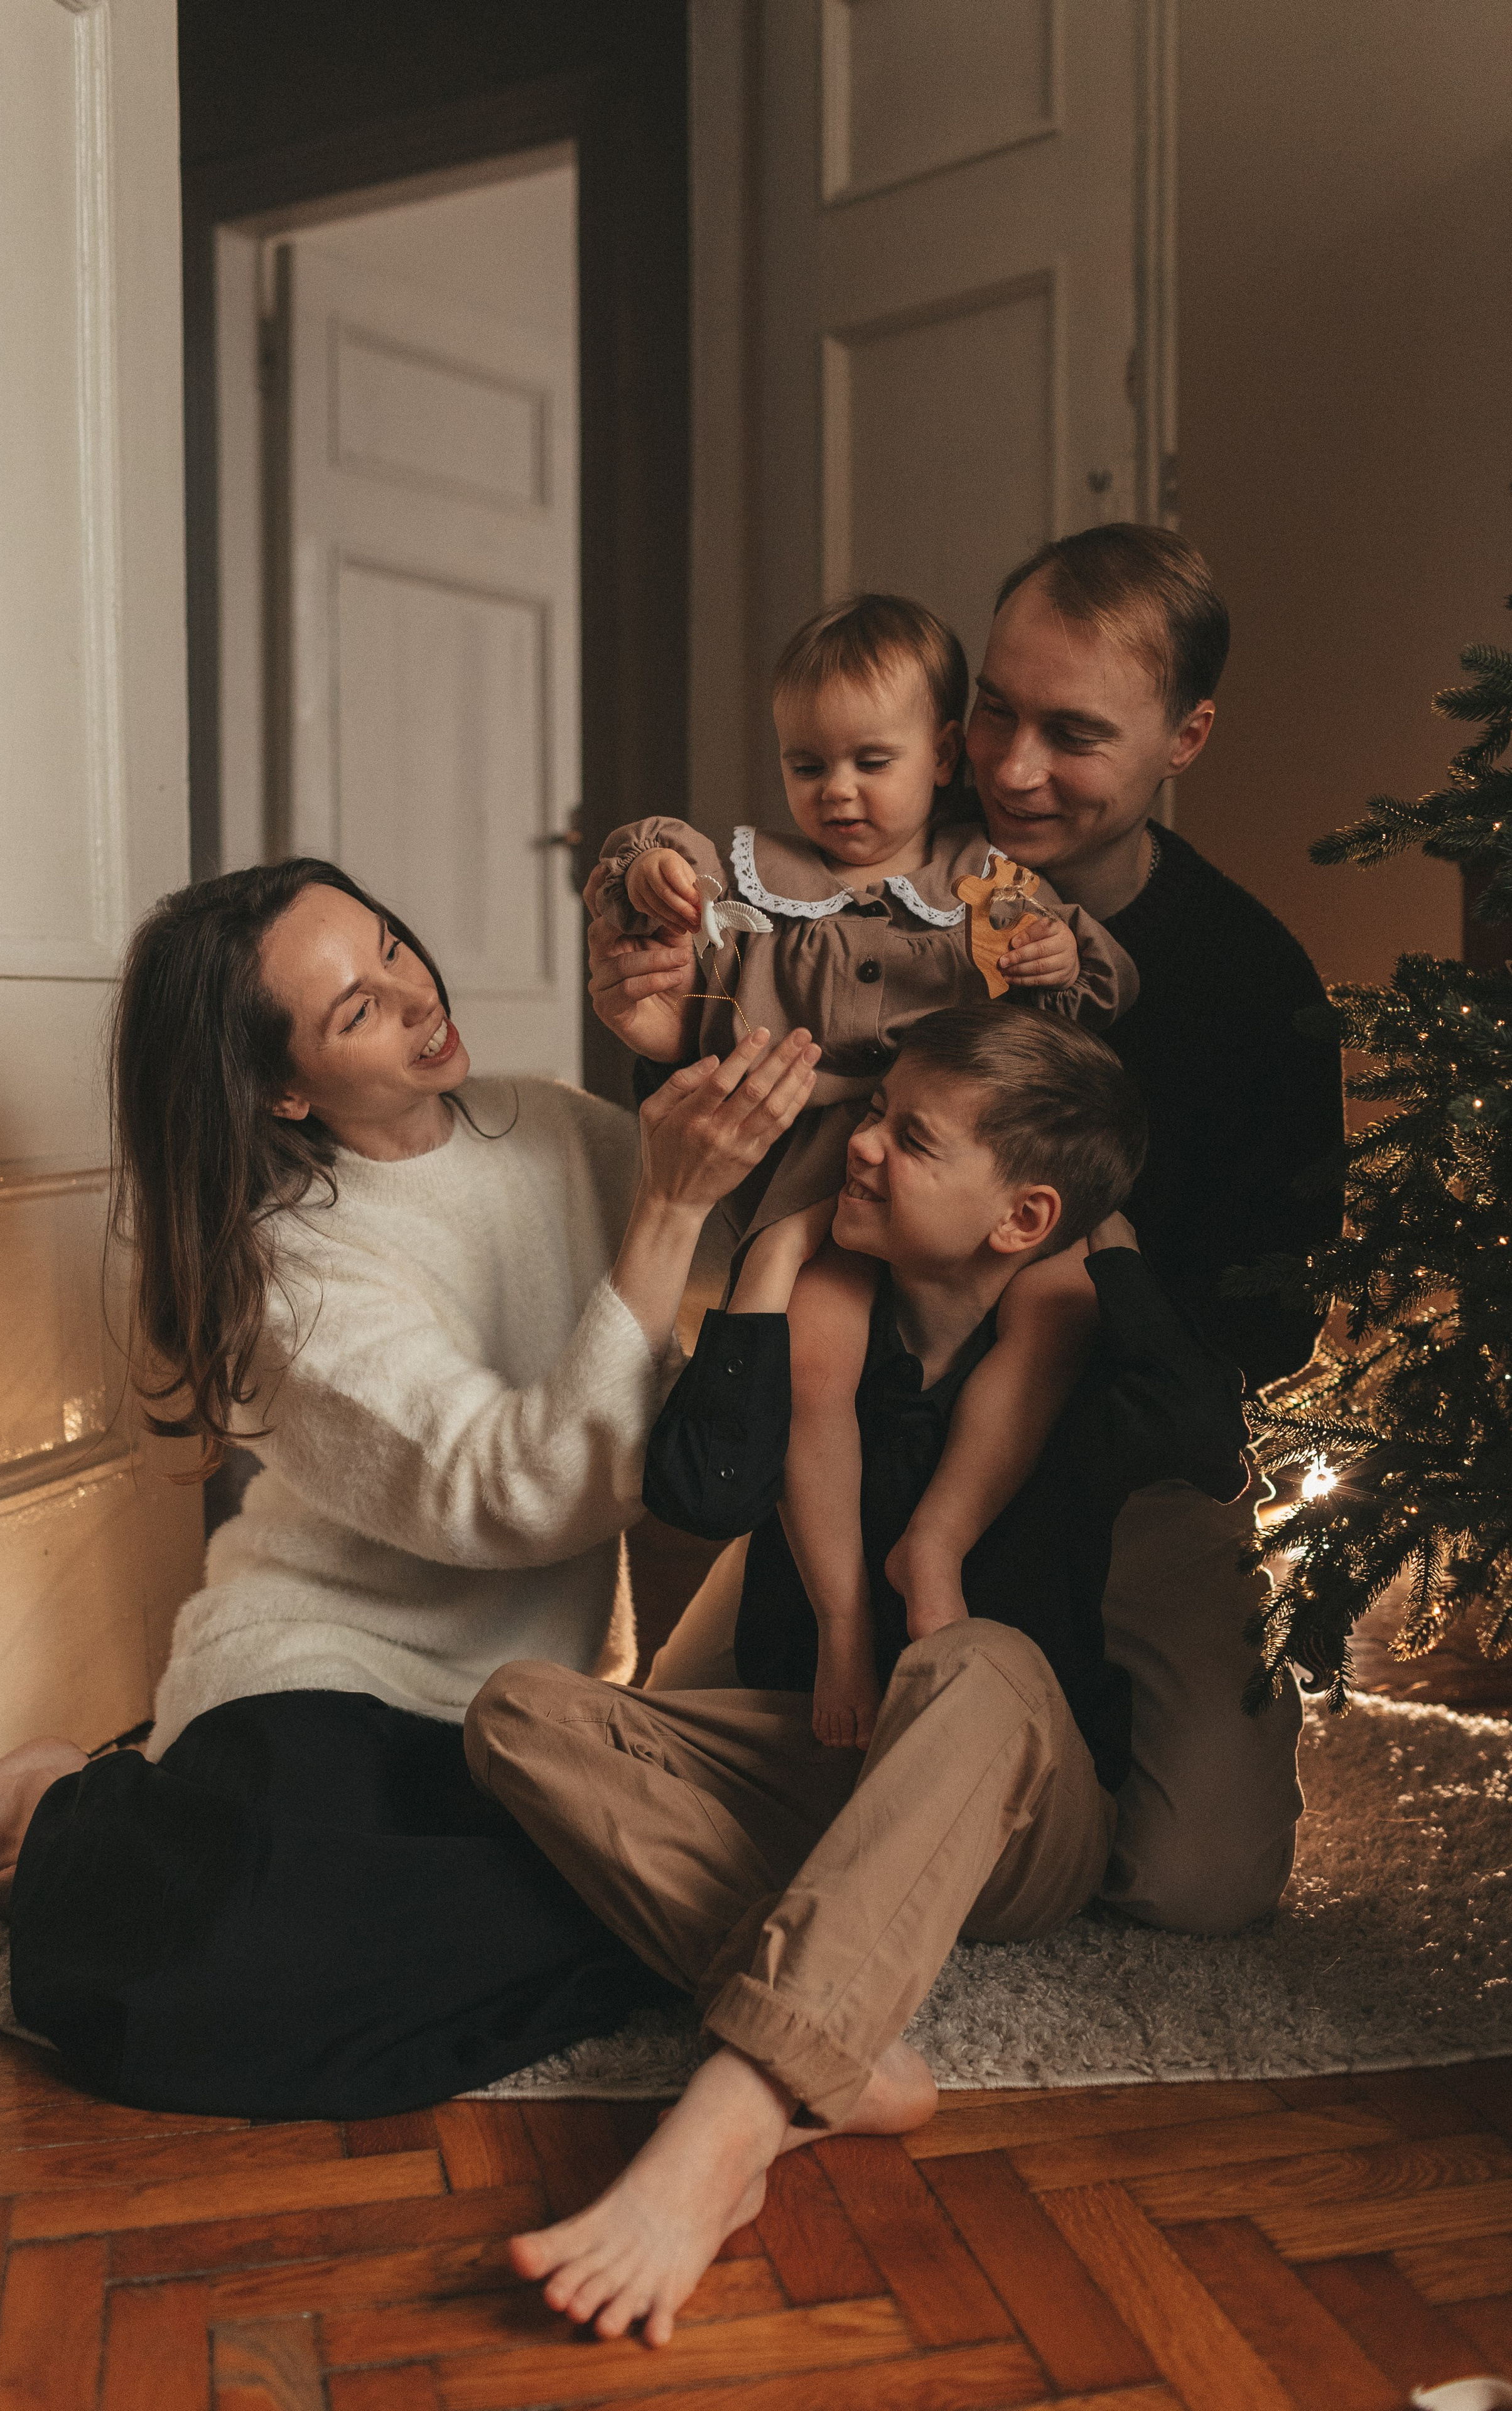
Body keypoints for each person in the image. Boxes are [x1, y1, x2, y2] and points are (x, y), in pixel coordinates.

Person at [0, 858, 823, 2119]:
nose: (415, 996)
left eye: (392, 947)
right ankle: (79, 1808)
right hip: (321, 1683)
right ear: (283, 1089)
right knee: (211, 1982)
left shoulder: (551, 1126)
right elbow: (517, 1493)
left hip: (517, 1718)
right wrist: (663, 1210)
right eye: (356, 1009)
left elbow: (758, 1216)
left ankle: (99, 1835)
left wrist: (689, 1045)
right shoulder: (282, 1268)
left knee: (639, 1890)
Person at [588, 526, 1344, 1934]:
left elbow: (1268, 1316)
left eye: (1074, 734)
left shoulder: (1248, 982)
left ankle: (1004, 1771)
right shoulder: (876, 868)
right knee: (659, 1757)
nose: (1010, 769)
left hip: (1116, 1458)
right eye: (993, 711)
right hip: (863, 1416)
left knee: (1193, 1885)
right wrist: (667, 1035)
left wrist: (1055, 1295)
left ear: (1184, 738)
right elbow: (770, 1114)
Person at [465, 1006, 1253, 2346]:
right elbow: (702, 1490)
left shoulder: (1073, 1322)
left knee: (975, 1660)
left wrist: (1103, 1241)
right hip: (839, 1772)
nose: (864, 1147)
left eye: (911, 1138)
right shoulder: (828, 1297)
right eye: (874, 1115)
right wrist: (771, 1250)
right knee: (516, 1713)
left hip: (1017, 1814)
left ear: (1022, 1217)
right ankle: (852, 2053)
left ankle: (733, 2116)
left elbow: (1201, 1434)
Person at [590, 594, 1139, 1747]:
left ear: (942, 755)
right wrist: (655, 871)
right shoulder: (760, 886)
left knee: (1062, 1303)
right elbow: (675, 904)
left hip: (971, 1177)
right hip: (826, 1182)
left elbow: (1091, 994)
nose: (837, 792)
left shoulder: (987, 878)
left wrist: (1057, 951)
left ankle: (935, 1543)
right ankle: (842, 1616)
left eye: (870, 763)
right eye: (808, 765)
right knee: (817, 1359)